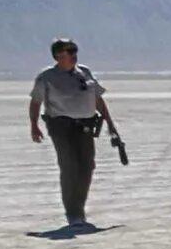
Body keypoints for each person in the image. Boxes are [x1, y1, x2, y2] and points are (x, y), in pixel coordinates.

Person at [28, 38, 121, 226]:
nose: (73, 56)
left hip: (85, 126)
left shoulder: (84, 72)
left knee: (87, 166)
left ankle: (79, 206)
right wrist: (34, 125)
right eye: (68, 52)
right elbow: (36, 101)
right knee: (69, 166)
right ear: (57, 56)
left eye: (74, 51)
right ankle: (73, 212)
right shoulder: (47, 77)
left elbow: (97, 99)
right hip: (61, 127)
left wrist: (110, 123)